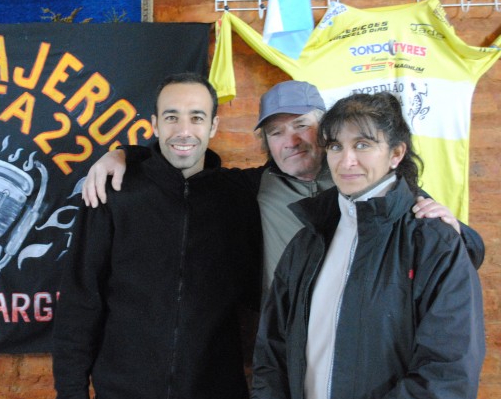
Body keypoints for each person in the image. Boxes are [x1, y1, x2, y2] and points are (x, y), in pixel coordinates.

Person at [81, 80, 484, 295]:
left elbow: (467, 251)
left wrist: (455, 228)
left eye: (301, 125)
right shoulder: (250, 186)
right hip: (281, 338)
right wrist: (125, 154)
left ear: (325, 129)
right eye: (275, 132)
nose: (290, 140)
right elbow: (180, 168)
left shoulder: (361, 179)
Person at [252, 92, 485, 399]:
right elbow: (272, 353)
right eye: (336, 146)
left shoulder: (433, 239)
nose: (347, 161)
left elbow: (447, 374)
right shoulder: (307, 243)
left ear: (396, 153)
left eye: (363, 145)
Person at [52, 72, 262, 399]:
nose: (184, 130)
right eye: (171, 117)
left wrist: (124, 152)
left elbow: (300, 165)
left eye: (197, 117)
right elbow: (80, 300)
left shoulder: (239, 195)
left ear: (213, 126)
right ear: (154, 124)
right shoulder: (113, 190)